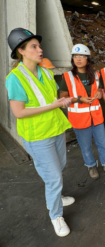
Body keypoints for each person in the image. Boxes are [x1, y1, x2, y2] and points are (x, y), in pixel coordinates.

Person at [5, 28, 75, 237]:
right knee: (53, 177)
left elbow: (50, 100)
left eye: (39, 45)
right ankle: (56, 215)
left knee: (59, 168)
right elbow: (19, 112)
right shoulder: (14, 78)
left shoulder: (45, 71)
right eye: (34, 46)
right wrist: (55, 106)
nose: (40, 49)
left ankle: (56, 195)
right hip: (37, 136)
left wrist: (62, 102)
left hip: (55, 128)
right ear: (21, 51)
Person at [60, 44, 105, 180]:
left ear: (87, 59)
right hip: (79, 119)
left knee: (102, 144)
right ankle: (91, 165)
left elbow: (101, 89)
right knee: (85, 146)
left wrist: (98, 92)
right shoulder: (67, 77)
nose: (78, 59)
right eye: (75, 56)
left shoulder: (96, 75)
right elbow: (62, 99)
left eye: (81, 56)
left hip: (96, 117)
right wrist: (79, 99)